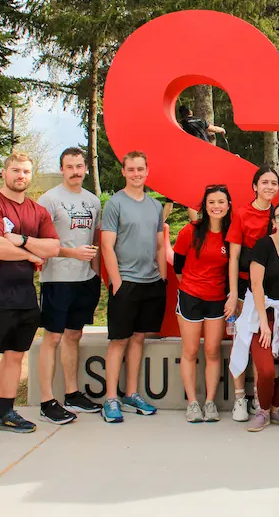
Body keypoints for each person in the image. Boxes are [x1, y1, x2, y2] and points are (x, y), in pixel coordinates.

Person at [0, 152, 61, 446]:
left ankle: (5, 413)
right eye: (16, 170)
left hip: (24, 297)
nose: (21, 176)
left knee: (15, 356)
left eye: (26, 171)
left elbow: (54, 248)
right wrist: (32, 254)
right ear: (4, 172)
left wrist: (21, 241)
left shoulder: (37, 210)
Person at [35, 147, 104, 425]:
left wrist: (95, 275)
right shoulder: (49, 200)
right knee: (52, 338)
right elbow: (40, 244)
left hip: (84, 280)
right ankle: (46, 401)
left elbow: (95, 240)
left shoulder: (93, 201)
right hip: (57, 279)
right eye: (70, 166)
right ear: (61, 169)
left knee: (74, 336)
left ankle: (72, 393)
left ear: (86, 168)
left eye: (79, 166)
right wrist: (71, 253)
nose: (76, 171)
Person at [100, 151, 167, 423]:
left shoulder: (155, 206)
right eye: (131, 169)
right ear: (124, 172)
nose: (136, 173)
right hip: (125, 282)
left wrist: (162, 276)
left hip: (151, 282)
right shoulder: (115, 203)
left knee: (139, 338)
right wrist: (116, 281)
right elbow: (107, 245)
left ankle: (130, 394)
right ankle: (110, 399)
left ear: (147, 171)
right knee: (119, 341)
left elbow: (161, 244)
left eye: (141, 169)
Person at [228, 202, 279, 432]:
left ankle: (276, 408)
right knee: (267, 370)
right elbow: (256, 285)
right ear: (273, 222)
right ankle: (262, 411)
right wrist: (263, 322)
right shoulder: (262, 246)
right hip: (259, 314)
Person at [224, 165, 279, 421]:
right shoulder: (242, 213)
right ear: (255, 186)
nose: (269, 187)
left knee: (261, 342)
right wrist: (234, 293)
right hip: (244, 287)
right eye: (265, 182)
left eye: (274, 182)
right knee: (240, 341)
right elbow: (234, 256)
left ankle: (260, 396)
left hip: (269, 290)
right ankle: (238, 398)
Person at [172, 184, 232, 423]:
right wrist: (193, 285)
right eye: (212, 202)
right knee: (190, 351)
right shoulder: (191, 231)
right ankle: (192, 403)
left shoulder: (231, 233)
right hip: (190, 297)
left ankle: (210, 403)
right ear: (205, 206)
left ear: (228, 205)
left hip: (217, 299)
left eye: (221, 202)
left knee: (212, 351)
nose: (216, 206)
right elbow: (178, 266)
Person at [162, 105, 226, 223]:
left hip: (192, 157)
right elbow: (214, 129)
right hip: (205, 155)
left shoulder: (181, 124)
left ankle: (195, 224)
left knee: (184, 198)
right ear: (190, 112)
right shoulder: (200, 120)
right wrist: (222, 130)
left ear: (180, 114)